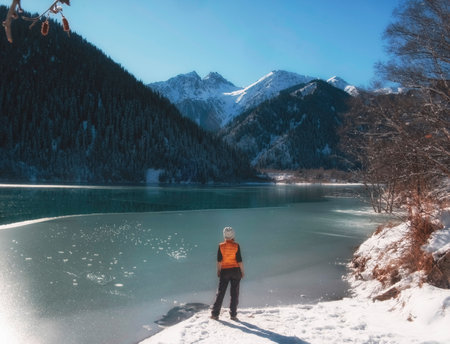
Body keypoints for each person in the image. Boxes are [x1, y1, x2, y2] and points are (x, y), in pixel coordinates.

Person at [211, 226, 244, 321]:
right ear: (233, 235)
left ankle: (215, 314)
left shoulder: (221, 246)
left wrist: (218, 270)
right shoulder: (236, 245)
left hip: (225, 271)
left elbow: (219, 261)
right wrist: (242, 271)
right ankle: (233, 315)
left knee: (220, 293)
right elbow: (239, 261)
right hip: (236, 271)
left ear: (224, 235)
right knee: (234, 294)